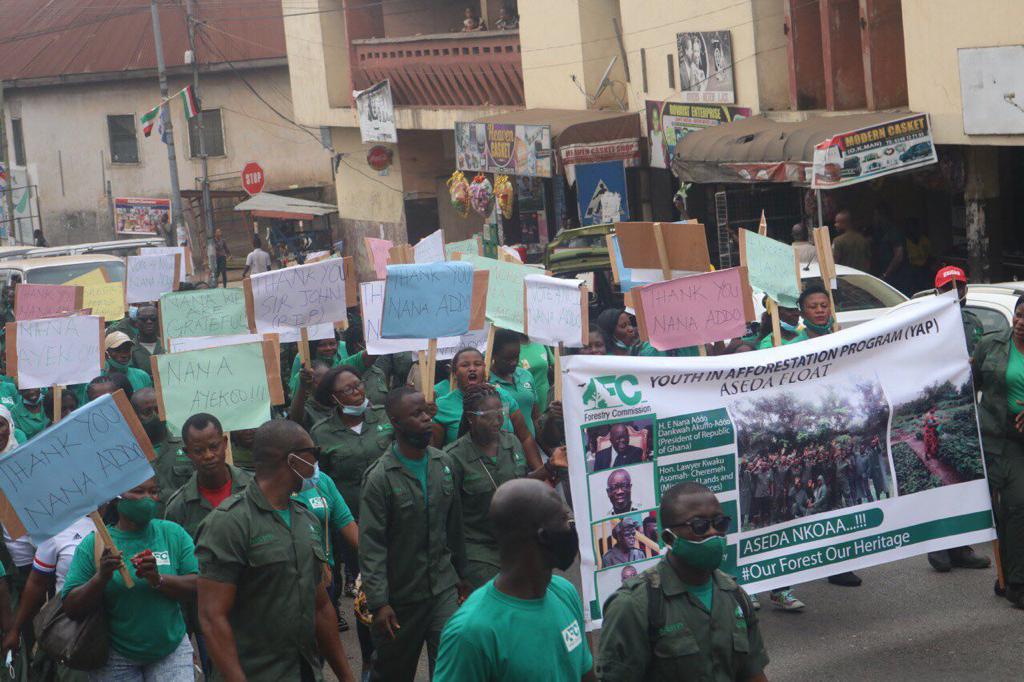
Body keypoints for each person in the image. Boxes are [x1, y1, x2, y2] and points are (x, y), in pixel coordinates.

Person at [195, 419, 355, 681]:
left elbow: (321, 607)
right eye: (312, 454)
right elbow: (212, 618)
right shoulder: (229, 523)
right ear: (293, 460)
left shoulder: (306, 519)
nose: (316, 463)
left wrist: (347, 677)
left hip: (304, 671)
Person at [597, 482, 769, 681]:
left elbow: (753, 672)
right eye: (699, 526)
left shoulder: (735, 596)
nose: (713, 533)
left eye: (720, 523)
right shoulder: (633, 606)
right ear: (669, 538)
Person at [433, 479, 594, 682]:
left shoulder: (565, 593)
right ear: (543, 537)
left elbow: (585, 673)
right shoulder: (471, 633)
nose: (571, 528)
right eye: (564, 520)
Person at [359, 387, 468, 681]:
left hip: (442, 588)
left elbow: (454, 526)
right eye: (416, 414)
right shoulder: (380, 478)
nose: (426, 419)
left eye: (427, 412)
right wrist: (379, 603)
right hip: (400, 597)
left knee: (450, 665)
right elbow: (372, 546)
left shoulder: (443, 464)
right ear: (396, 422)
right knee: (394, 672)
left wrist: (463, 577)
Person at [62, 477, 198, 680]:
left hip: (170, 650)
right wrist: (101, 577)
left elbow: (199, 586)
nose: (147, 499)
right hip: (115, 656)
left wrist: (158, 579)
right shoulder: (94, 544)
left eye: (153, 492)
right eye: (138, 492)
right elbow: (71, 607)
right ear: (117, 498)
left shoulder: (173, 534)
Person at [444, 383, 563, 589]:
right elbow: (447, 518)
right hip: (479, 549)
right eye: (488, 414)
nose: (497, 419)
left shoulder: (512, 442)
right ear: (471, 418)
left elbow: (521, 483)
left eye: (501, 412)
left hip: (514, 540)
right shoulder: (452, 458)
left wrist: (550, 467)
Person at [927, 266, 990, 573]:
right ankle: (938, 546)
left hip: (967, 411)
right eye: (947, 286)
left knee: (965, 479)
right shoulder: (925, 325)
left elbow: (981, 367)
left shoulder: (973, 322)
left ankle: (961, 546)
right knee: (941, 480)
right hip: (939, 411)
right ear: (936, 290)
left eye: (959, 285)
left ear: (966, 288)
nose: (954, 290)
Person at [310, 365, 393, 594]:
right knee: (364, 587)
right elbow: (320, 482)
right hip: (352, 522)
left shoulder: (386, 415)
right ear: (334, 397)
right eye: (348, 389)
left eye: (358, 384)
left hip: (393, 512)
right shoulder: (321, 433)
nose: (357, 391)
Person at [973, 295, 1024, 604]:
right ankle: (1015, 582)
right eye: (1018, 316)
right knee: (1015, 508)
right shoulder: (991, 345)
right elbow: (970, 383)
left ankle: (1007, 575)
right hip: (1002, 441)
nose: (1020, 323)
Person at [432, 347, 543, 471]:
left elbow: (525, 437)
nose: (472, 368)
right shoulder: (442, 405)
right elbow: (434, 452)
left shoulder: (503, 396)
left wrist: (542, 474)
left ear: (485, 369)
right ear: (454, 372)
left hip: (510, 475)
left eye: (478, 364)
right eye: (465, 365)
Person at [164, 413, 253, 539]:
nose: (208, 456)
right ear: (187, 453)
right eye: (198, 451)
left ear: (225, 443)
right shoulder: (178, 507)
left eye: (214, 447)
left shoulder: (254, 489)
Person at [133, 388, 189, 503]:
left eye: (158, 410)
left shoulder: (186, 444)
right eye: (147, 412)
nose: (155, 415)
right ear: (135, 415)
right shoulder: (126, 452)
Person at [489, 329, 541, 436]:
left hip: (531, 448)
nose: (514, 362)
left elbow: (535, 418)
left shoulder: (526, 375)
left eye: (516, 357)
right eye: (507, 359)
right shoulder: (487, 383)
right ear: (494, 355)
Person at [131, 304, 164, 376]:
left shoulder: (168, 346)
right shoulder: (129, 349)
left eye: (153, 319)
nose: (149, 322)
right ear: (136, 323)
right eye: (143, 319)